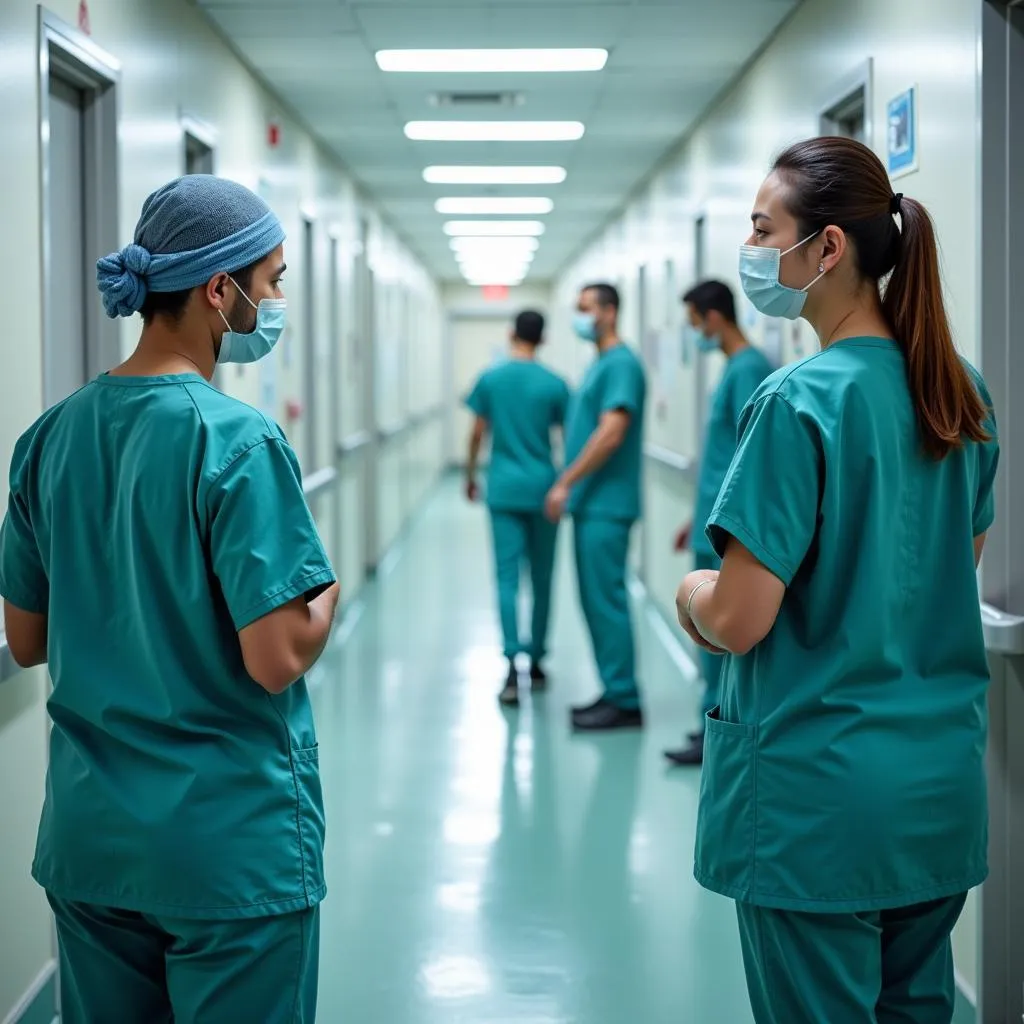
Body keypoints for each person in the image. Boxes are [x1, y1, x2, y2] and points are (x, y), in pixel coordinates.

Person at [0, 175, 340, 1023]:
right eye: (273, 279)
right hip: (225, 852)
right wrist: (324, 594)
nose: (277, 299)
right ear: (219, 289)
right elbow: (276, 657)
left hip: (93, 843)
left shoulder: (50, 436)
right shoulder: (237, 439)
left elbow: (27, 637)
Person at [675, 137, 998, 1023]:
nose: (751, 251)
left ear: (826, 249)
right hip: (934, 792)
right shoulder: (958, 393)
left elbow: (739, 620)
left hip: (818, 804)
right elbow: (943, 579)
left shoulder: (798, 401)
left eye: (761, 229)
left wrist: (691, 594)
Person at [665, 281, 773, 766]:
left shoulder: (750, 369)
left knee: (720, 631)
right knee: (707, 632)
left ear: (712, 318)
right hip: (714, 519)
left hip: (731, 531)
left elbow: (752, 462)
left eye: (693, 325)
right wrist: (697, 517)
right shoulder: (735, 369)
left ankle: (719, 731)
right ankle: (709, 726)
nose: (694, 335)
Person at [546, 283, 647, 731]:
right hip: (593, 507)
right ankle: (613, 689)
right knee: (595, 601)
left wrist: (565, 481)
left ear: (609, 311)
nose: (579, 316)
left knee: (606, 601)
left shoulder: (621, 364)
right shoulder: (602, 364)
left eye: (585, 308)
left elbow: (611, 431)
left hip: (607, 507)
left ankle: (624, 699)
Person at [465, 310, 570, 706]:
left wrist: (472, 473)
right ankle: (538, 662)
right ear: (542, 339)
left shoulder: (491, 379)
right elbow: (568, 436)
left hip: (505, 490)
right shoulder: (555, 384)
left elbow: (478, 432)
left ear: (512, 334)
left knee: (507, 578)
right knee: (542, 578)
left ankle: (511, 667)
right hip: (544, 489)